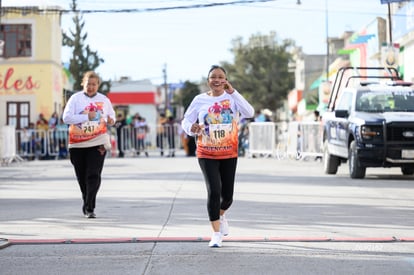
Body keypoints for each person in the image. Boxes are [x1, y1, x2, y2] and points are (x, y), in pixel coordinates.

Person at [181, 65, 254, 247]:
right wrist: (191, 128)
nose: (217, 80)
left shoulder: (232, 98)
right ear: (208, 81)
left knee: (227, 196)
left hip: (229, 152)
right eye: (213, 77)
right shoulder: (199, 100)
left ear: (226, 80)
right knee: (214, 191)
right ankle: (215, 233)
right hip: (206, 152)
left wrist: (234, 92)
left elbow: (249, 113)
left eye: (220, 77)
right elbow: (186, 120)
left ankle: (221, 215)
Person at [62, 71, 116, 219]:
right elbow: (66, 118)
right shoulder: (75, 99)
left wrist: (112, 120)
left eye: (94, 84)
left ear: (98, 85)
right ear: (83, 84)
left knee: (93, 174)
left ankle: (89, 207)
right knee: (82, 176)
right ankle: (86, 199)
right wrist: (86, 116)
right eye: (88, 84)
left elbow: (112, 116)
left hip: (97, 140)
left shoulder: (104, 100)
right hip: (78, 143)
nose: (91, 87)